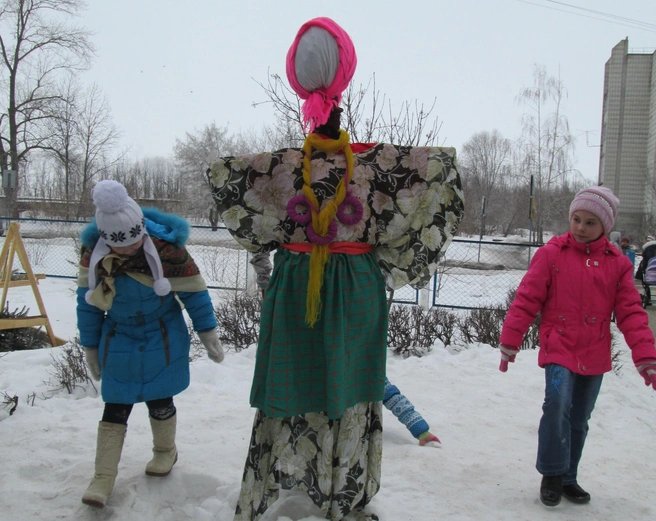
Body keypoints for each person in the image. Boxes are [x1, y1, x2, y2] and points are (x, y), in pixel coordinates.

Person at [208, 17, 464, 521]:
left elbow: (224, 180)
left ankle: (282, 484)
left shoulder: (278, 167)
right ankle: (341, 494)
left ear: (297, 77)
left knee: (293, 385)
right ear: (345, 74)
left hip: (297, 285)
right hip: (356, 288)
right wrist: (387, 263)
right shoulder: (378, 164)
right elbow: (442, 174)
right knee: (350, 391)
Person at [498, 186, 656, 507]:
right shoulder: (552, 254)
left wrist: (645, 355)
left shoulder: (617, 264)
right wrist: (510, 340)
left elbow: (630, 313)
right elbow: (528, 298)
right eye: (576, 219)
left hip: (594, 353)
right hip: (559, 346)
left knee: (580, 417)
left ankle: (569, 476)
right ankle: (553, 474)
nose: (581, 228)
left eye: (590, 223)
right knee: (557, 404)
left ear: (605, 228)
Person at [77, 180, 224, 508]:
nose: (127, 249)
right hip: (119, 338)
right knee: (115, 406)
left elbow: (193, 292)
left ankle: (164, 452)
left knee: (160, 400)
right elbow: (87, 303)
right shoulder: (95, 257)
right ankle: (102, 477)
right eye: (119, 244)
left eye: (132, 240)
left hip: (163, 335)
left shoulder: (166, 248)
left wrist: (208, 331)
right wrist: (90, 345)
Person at [635, 235, 656, 305]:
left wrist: (642, 270)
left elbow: (646, 262)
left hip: (650, 275)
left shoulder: (648, 249)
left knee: (645, 282)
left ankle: (648, 297)